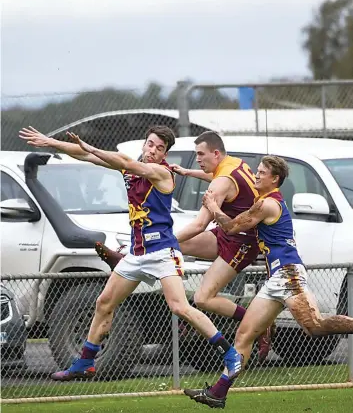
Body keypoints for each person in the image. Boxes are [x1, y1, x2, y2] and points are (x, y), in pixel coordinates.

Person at [18, 125, 242, 381]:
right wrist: (50, 142)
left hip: (162, 252)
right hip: (137, 253)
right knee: (104, 303)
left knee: (180, 307)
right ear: (144, 144)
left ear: (164, 154)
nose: (153, 151)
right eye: (150, 144)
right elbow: (85, 156)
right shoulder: (130, 166)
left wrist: (90, 146)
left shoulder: (162, 172)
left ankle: (230, 353)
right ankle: (86, 362)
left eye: (160, 148)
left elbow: (120, 160)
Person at [184, 155, 353, 409]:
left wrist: (212, 205)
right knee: (244, 335)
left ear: (275, 179)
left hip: (288, 274)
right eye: (257, 171)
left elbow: (230, 227)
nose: (256, 174)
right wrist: (193, 174)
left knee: (314, 326)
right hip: (275, 278)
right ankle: (218, 393)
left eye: (262, 172)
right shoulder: (262, 201)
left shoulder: (267, 205)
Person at [96, 131, 273, 361]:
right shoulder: (233, 165)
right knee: (181, 244)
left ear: (216, 153)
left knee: (203, 299)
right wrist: (188, 172)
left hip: (243, 243)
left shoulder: (220, 183)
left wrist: (164, 241)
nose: (197, 158)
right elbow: (222, 179)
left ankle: (256, 321)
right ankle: (132, 256)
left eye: (201, 155)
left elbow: (200, 224)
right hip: (227, 232)